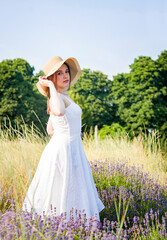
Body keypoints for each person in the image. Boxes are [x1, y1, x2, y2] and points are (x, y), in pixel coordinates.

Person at [22, 56, 105, 223]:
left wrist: (73, 132)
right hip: (63, 150)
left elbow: (50, 129)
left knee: (73, 188)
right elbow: (59, 113)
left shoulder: (63, 97)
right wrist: (51, 87)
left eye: (66, 72)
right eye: (59, 73)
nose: (65, 75)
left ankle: (73, 225)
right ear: (52, 78)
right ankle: (60, 225)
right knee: (62, 187)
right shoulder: (56, 97)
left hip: (71, 146)